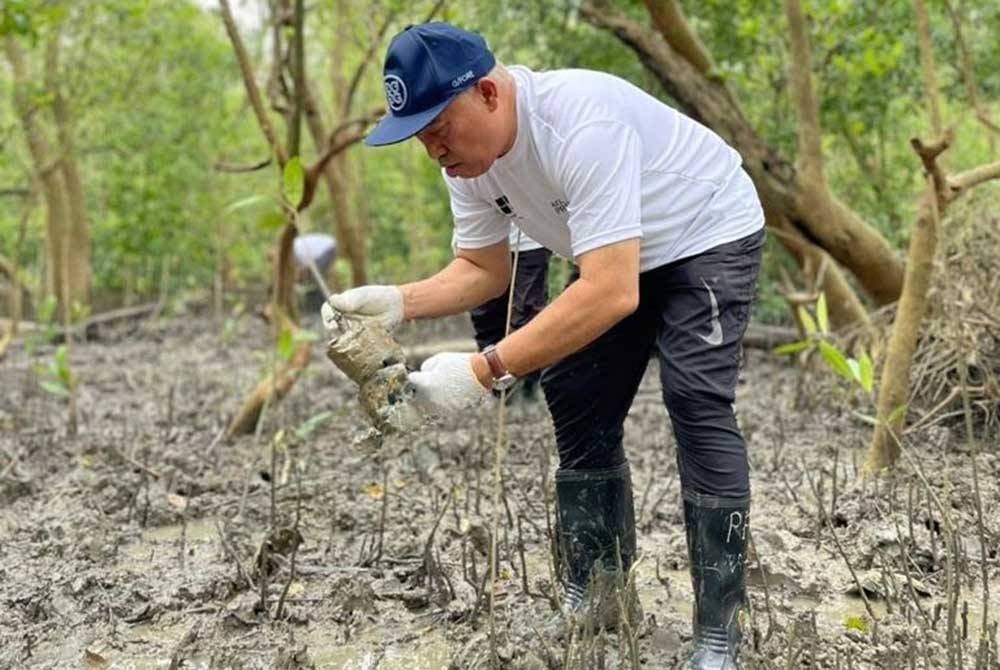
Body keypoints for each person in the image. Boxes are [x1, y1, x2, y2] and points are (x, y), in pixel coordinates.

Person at [327, 22, 765, 667]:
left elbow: (610, 291)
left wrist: (483, 370)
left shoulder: (580, 123)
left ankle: (718, 634)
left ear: (487, 94)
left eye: (438, 128)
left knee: (695, 401)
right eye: (419, 136)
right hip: (618, 256)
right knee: (574, 389)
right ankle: (600, 590)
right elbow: (483, 269)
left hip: (707, 232)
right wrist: (397, 302)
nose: (433, 150)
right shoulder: (468, 162)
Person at [466, 225, 551, 401]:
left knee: (527, 314)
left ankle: (529, 390)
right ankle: (498, 393)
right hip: (481, 241)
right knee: (486, 317)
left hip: (531, 240)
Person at [292, 232, 337, 312]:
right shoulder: (294, 247)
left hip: (328, 248)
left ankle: (323, 304)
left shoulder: (295, 250)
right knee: (314, 277)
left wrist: (298, 279)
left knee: (317, 277)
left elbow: (304, 269)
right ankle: (318, 302)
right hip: (327, 247)